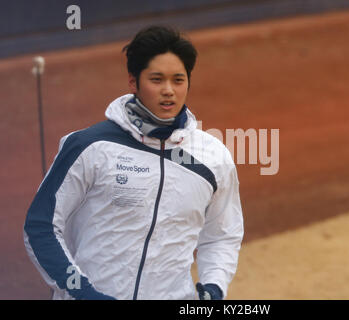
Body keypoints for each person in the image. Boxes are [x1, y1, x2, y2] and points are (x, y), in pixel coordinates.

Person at [23, 25, 244, 300]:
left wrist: (212, 288)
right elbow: (41, 225)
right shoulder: (89, 146)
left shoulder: (213, 157)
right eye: (156, 79)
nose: (168, 91)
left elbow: (222, 235)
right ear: (133, 81)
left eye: (178, 80)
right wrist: (83, 293)